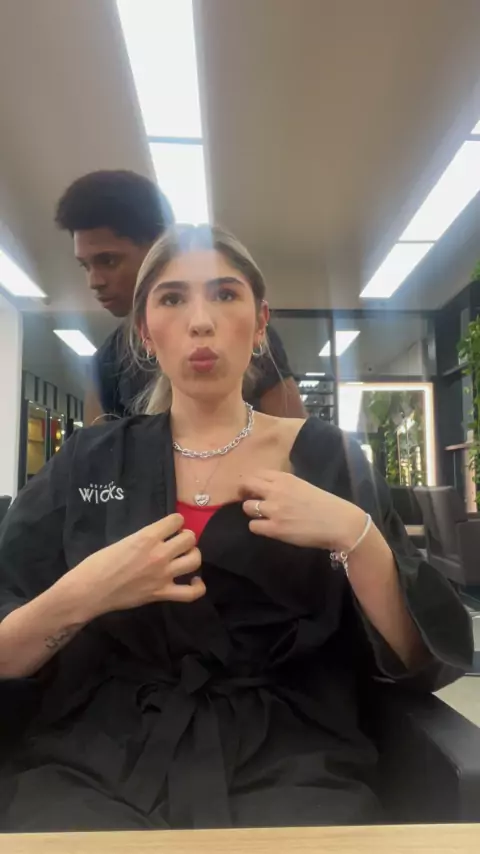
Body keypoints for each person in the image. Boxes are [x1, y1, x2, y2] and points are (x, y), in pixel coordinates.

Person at [0, 225, 472, 832]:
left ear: (260, 322)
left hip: (293, 753)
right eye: (173, 298)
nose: (201, 321)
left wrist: (357, 536)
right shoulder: (90, 461)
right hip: (98, 752)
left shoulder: (329, 459)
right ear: (144, 331)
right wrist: (86, 592)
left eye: (225, 294)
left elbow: (416, 656)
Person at [55, 170, 305, 424]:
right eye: (85, 266)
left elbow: (294, 438)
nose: (94, 281)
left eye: (108, 261)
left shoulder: (242, 333)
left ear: (159, 248)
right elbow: (96, 445)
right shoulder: (107, 361)